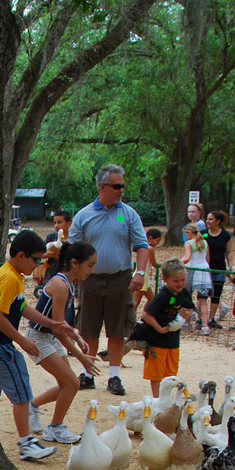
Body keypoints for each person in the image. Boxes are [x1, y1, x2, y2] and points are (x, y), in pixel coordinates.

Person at [0, 230, 81, 461]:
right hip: (1, 346)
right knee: (22, 393)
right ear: (21, 255)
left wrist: (52, 323)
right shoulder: (9, 278)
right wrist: (21, 340)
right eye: (36, 259)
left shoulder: (15, 275)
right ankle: (26, 442)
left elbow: (21, 307)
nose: (38, 265)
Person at [68, 164, 148, 396]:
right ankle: (87, 373)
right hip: (90, 280)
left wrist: (139, 273)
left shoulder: (128, 214)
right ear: (102, 187)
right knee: (88, 329)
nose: (121, 189)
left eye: (122, 185)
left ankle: (114, 377)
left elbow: (141, 245)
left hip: (120, 279)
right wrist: (73, 277)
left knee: (116, 330)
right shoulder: (84, 215)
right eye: (117, 186)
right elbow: (73, 249)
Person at [26, 242, 101, 444]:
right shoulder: (60, 285)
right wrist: (81, 357)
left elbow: (58, 322)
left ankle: (32, 406)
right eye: (90, 265)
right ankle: (55, 428)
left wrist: (76, 336)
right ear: (75, 263)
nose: (92, 271)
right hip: (38, 337)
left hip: (48, 336)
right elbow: (58, 330)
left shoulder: (67, 283)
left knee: (66, 384)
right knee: (72, 383)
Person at [138, 259, 193, 396]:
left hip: (173, 341)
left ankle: (166, 398)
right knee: (156, 374)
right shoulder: (162, 296)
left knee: (170, 373)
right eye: (176, 281)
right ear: (165, 280)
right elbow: (146, 315)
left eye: (182, 280)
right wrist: (159, 328)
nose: (180, 283)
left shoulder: (184, 293)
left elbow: (189, 309)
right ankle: (158, 399)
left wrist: (186, 314)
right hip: (157, 341)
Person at [204, 211, 232, 328]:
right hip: (205, 268)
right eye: (207, 219)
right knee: (204, 294)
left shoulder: (225, 236)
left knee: (216, 294)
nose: (207, 221)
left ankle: (211, 318)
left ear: (218, 221)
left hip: (219, 268)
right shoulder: (204, 234)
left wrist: (230, 265)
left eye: (210, 219)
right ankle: (203, 318)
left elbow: (228, 252)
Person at [182, 223, 212, 334]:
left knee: (187, 297)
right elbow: (207, 259)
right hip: (204, 271)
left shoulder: (189, 243)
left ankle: (187, 322)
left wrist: (177, 262)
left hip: (192, 271)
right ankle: (205, 326)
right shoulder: (204, 242)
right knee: (203, 300)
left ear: (189, 232)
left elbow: (188, 258)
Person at [134, 228, 163, 310]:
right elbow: (154, 263)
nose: (157, 243)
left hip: (145, 276)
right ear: (150, 238)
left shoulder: (143, 247)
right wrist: (159, 264)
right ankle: (128, 319)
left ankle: (144, 317)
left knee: (152, 300)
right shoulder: (149, 248)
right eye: (157, 241)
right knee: (136, 300)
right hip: (144, 276)